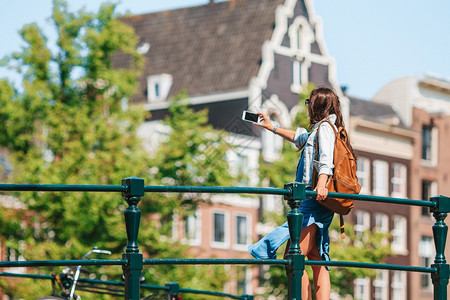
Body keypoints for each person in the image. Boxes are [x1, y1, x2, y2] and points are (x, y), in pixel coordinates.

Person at [248, 87, 354, 300]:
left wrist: (322, 185)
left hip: (314, 199)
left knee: (293, 256)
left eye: (309, 103)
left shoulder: (325, 128)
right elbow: (299, 138)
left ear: (317, 106)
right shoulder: (322, 129)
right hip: (314, 199)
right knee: (315, 257)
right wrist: (272, 127)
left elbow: (325, 161)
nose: (307, 107)